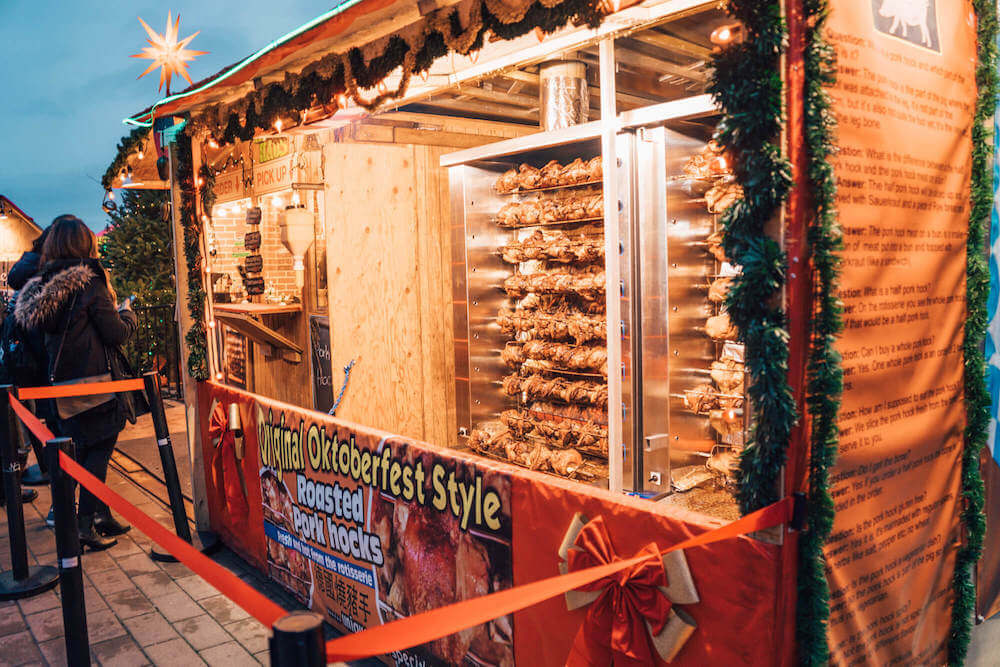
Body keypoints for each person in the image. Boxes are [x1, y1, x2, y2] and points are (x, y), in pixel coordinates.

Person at [14, 216, 137, 550]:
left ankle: (98, 515)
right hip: (93, 383)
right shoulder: (89, 283)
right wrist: (128, 315)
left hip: (59, 386)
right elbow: (114, 333)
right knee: (99, 446)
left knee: (83, 447)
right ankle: (85, 524)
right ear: (85, 245)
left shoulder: (42, 284)